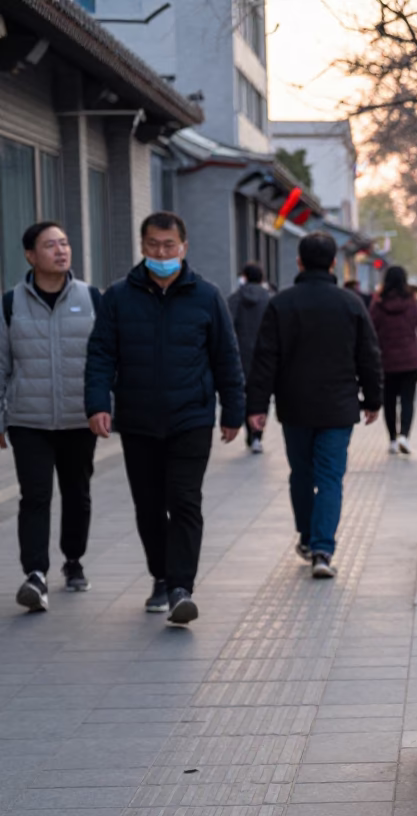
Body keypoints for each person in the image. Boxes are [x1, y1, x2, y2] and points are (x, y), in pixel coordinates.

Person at [85, 211, 245, 625]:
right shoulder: (118, 297)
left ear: (183, 247)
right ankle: (160, 575)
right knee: (149, 505)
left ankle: (180, 588)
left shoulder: (206, 296)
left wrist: (234, 410)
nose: (161, 253)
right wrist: (98, 403)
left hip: (192, 417)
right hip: (138, 419)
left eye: (169, 245)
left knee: (185, 501)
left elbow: (226, 357)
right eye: (153, 245)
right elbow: (101, 354)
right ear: (142, 247)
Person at [246, 233, 383, 578]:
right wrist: (373, 399)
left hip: (295, 406)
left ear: (299, 262)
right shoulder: (351, 303)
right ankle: (323, 550)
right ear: (334, 263)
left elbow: (265, 359)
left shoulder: (281, 304)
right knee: (331, 477)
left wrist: (256, 406)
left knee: (301, 474)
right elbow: (369, 355)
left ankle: (307, 538)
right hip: (339, 407)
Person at [0, 223, 101, 611]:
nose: (61, 251)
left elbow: (106, 358)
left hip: (79, 418)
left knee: (77, 493)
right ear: (30, 256)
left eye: (64, 243)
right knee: (34, 496)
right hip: (29, 419)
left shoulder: (91, 298)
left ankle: (73, 560)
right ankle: (35, 575)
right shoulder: (10, 304)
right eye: (50, 246)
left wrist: (105, 405)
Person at [371, 265, 417, 455]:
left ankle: (392, 440)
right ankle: (405, 436)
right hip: (410, 359)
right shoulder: (411, 302)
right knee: (408, 400)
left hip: (386, 360)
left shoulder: (378, 304)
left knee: (389, 401)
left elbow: (371, 329)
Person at [228, 262, 271, 454]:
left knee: (245, 394)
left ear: (244, 277)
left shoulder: (235, 299)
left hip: (241, 355)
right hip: (265, 355)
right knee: (260, 396)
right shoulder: (270, 299)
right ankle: (257, 435)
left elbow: (227, 326)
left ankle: (249, 431)